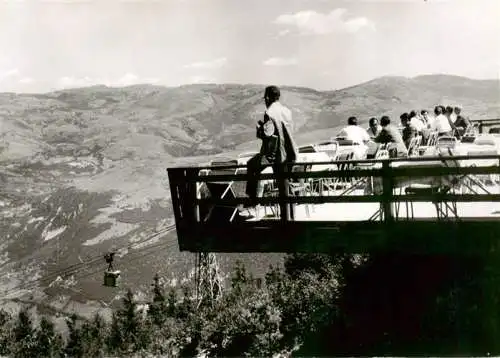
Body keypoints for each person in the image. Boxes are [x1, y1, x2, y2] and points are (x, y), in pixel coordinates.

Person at [243, 85, 298, 217]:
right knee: (284, 187)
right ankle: (289, 219)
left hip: (275, 154)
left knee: (251, 165)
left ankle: (252, 203)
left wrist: (260, 130)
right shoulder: (287, 111)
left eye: (265, 98)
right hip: (289, 153)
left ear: (268, 97)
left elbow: (270, 136)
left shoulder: (269, 113)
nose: (265, 101)